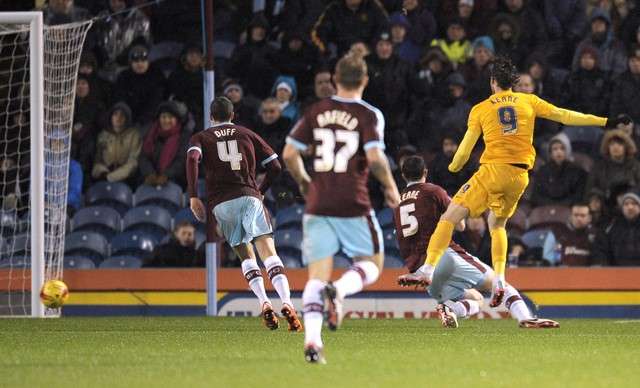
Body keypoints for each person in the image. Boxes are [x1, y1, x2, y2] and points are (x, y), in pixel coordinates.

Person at [419, 55, 631, 308]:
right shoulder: (529, 101)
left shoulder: (481, 108)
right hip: (520, 177)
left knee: (449, 218)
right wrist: (605, 122)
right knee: (496, 224)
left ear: (493, 82)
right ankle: (499, 279)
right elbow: (565, 116)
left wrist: (454, 167)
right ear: (513, 83)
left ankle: (428, 269)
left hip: (493, 170)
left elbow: (464, 151)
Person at [283, 53, 400, 363]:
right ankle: (341, 290)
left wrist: (305, 182)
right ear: (364, 80)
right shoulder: (369, 114)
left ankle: (312, 341)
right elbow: (375, 158)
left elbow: (289, 154)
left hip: (318, 202)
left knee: (315, 277)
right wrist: (390, 188)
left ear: (335, 79)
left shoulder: (315, 111)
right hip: (353, 201)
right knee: (373, 264)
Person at [394, 155, 558, 329]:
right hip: (443, 257)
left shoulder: (398, 205)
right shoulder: (433, 191)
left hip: (420, 270)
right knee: (497, 282)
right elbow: (461, 224)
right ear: (425, 172)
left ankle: (451, 310)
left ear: (403, 175)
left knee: (476, 299)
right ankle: (525, 318)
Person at [187, 96, 302, 332]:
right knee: (268, 251)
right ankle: (288, 303)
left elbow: (192, 158)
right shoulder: (246, 133)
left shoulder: (201, 137)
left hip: (222, 202)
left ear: (211, 117)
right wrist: (260, 191)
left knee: (245, 255)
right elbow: (276, 166)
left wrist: (193, 195)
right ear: (233, 115)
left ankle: (264, 302)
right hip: (249, 196)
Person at [138, 101, 190, 188]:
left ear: (177, 119)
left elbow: (181, 161)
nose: (166, 120)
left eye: (170, 117)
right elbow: (143, 157)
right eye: (163, 117)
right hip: (151, 179)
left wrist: (166, 175)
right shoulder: (151, 134)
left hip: (175, 180)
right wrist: (150, 173)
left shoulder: (184, 137)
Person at [311, 0, 389, 58]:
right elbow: (319, 33)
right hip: (342, 58)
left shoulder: (373, 7)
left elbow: (385, 30)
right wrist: (329, 52)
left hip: (371, 57)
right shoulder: (333, 9)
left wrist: (369, 47)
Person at [113, 45, 166, 125]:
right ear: (130, 63)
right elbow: (119, 99)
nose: (140, 64)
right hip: (126, 118)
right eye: (136, 61)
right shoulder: (124, 77)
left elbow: (155, 101)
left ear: (148, 62)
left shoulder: (156, 76)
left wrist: (143, 120)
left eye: (143, 60)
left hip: (150, 120)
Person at [531, 133, 587, 206]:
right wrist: (551, 205)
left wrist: (562, 205)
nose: (558, 152)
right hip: (546, 207)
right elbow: (536, 196)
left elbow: (578, 195)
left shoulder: (577, 171)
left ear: (567, 150)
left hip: (569, 208)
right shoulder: (543, 170)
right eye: (555, 149)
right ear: (550, 153)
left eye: (562, 148)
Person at [92, 102, 141, 185]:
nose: (118, 118)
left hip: (126, 179)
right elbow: (97, 160)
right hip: (104, 175)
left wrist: (113, 176)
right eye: (115, 114)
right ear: (111, 117)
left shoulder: (134, 135)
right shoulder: (103, 135)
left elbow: (133, 162)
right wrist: (101, 171)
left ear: (127, 118)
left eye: (122, 115)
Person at [572, 9, 628, 78]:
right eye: (594, 23)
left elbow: (620, 69)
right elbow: (575, 67)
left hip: (610, 84)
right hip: (587, 82)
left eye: (600, 23)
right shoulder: (583, 44)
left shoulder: (616, 45)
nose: (597, 26)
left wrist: (607, 82)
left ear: (606, 26)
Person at [587, 129, 640, 200]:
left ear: (626, 147)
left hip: (631, 203)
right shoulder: (599, 167)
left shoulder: (635, 165)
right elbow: (591, 189)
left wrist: (629, 196)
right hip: (606, 203)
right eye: (612, 144)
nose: (615, 147)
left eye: (620, 144)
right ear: (607, 147)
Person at [593, 191, 640, 266]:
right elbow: (601, 249)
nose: (630, 207)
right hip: (617, 273)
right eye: (626, 204)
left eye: (634, 203)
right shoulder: (612, 227)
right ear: (622, 208)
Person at [167, 44, 204, 125]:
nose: (194, 57)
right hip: (183, 111)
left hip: (204, 111)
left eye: (197, 55)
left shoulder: (207, 74)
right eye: (191, 54)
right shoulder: (176, 75)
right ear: (185, 57)